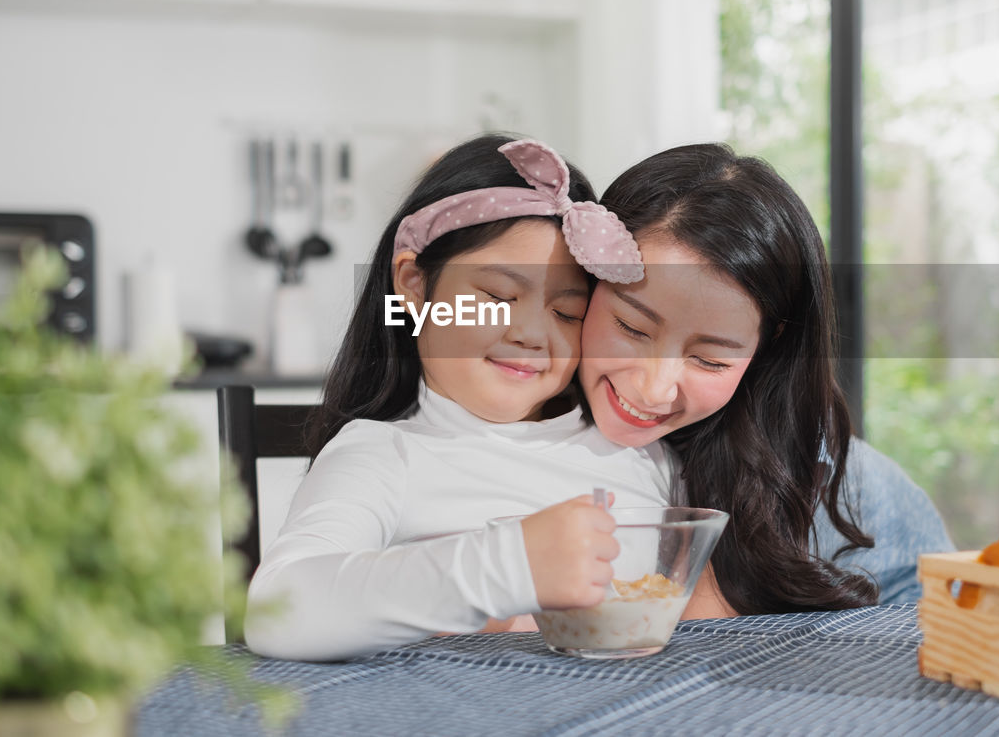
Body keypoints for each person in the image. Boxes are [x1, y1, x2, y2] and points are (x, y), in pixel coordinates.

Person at [244, 134, 669, 661]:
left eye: (567, 312)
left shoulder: (637, 449)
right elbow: (278, 609)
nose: (532, 335)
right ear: (416, 287)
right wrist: (507, 567)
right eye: (495, 296)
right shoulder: (383, 454)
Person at [576, 142, 953, 616]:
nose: (653, 389)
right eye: (631, 328)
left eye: (710, 360)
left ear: (764, 349)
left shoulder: (834, 481)